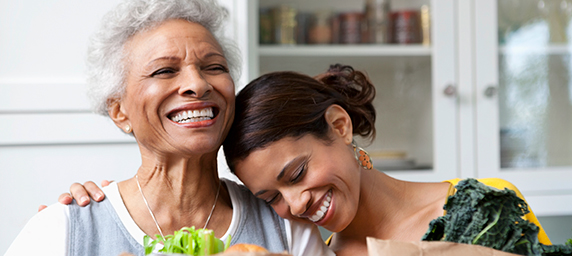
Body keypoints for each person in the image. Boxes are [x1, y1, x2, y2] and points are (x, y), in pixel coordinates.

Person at [56, 64, 553, 255]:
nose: (296, 204)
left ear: (339, 126)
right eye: (270, 197)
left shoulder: (486, 206)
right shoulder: (315, 250)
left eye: (295, 174)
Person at [4, 0, 332, 255]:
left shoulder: (286, 226)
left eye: (214, 67)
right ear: (119, 111)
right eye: (164, 71)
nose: (197, 84)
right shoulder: (62, 229)